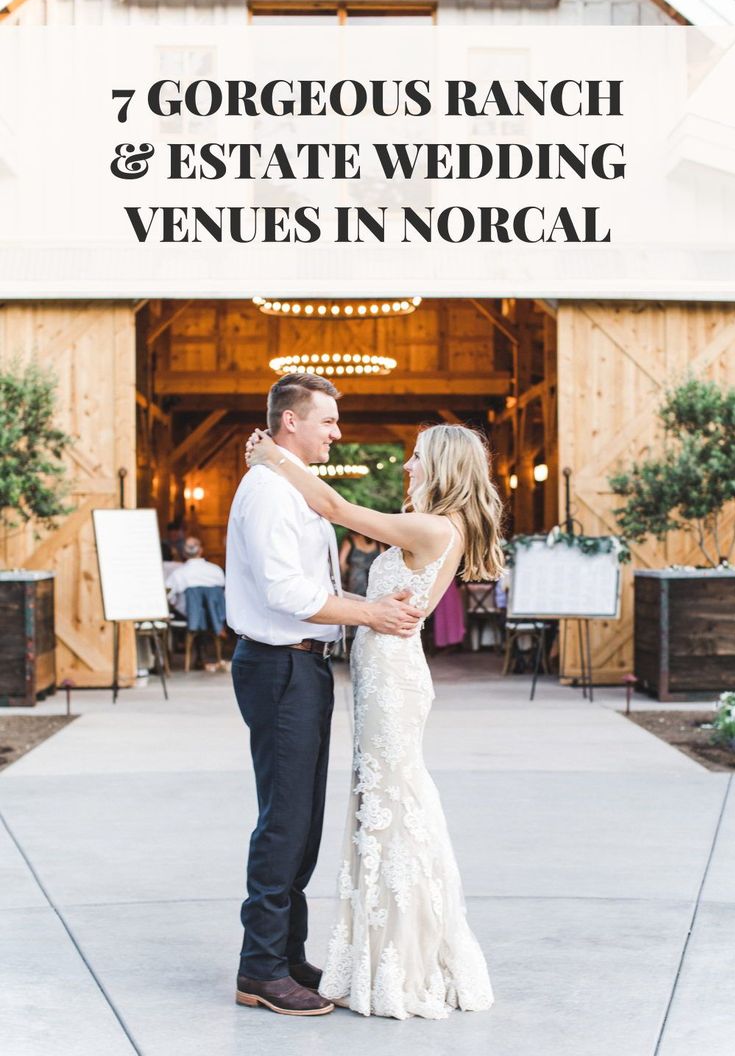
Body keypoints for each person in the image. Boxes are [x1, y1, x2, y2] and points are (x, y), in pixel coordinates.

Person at [246, 421, 504, 1020]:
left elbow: (334, 505)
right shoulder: (440, 525)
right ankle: (384, 950)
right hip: (386, 673)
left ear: (442, 466)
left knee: (392, 805)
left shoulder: (433, 527)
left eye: (416, 458)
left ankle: (399, 961)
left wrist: (272, 457)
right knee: (384, 803)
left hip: (392, 679)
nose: (408, 466)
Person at [226, 373, 424, 1018]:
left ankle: (287, 954)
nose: (337, 432)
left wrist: (362, 612)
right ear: (291, 423)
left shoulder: (294, 488)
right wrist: (370, 615)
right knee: (284, 818)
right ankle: (259, 969)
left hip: (303, 666)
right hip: (279, 666)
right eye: (328, 421)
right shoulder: (268, 494)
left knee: (302, 817)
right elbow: (287, 593)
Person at [165, 536, 224, 618]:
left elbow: (167, 595)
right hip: (216, 619)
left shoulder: (178, 574)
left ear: (184, 553)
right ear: (201, 550)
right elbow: (223, 594)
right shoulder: (217, 570)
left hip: (187, 620)